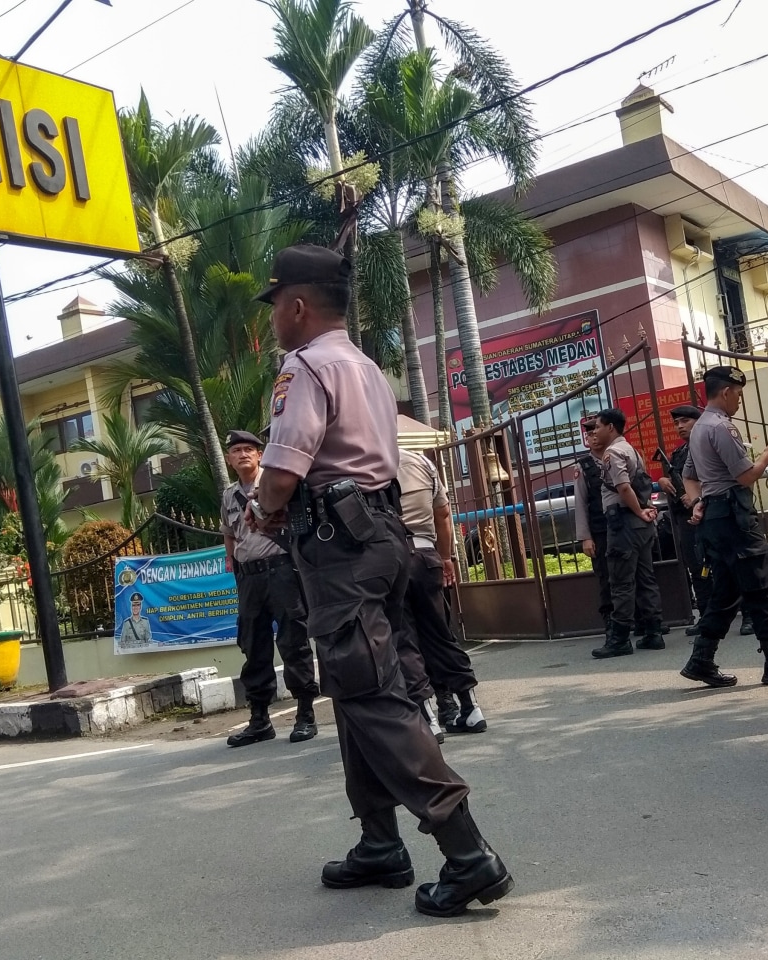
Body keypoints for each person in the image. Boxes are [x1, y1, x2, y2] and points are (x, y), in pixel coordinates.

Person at [248, 245, 512, 914]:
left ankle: (467, 851)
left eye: (276, 303)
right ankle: (378, 842)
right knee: (359, 683)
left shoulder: (303, 366)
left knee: (369, 693)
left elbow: (280, 475)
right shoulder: (364, 366)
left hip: (340, 549)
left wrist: (263, 509)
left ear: (298, 306)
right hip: (380, 536)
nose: (274, 317)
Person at [679, 366, 768, 687]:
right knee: (759, 587)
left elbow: (689, 476)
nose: (740, 401)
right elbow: (745, 476)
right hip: (734, 516)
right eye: (739, 394)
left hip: (716, 517)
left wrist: (697, 501)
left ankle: (701, 659)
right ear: (726, 392)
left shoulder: (700, 427)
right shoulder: (720, 427)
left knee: (726, 592)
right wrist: (767, 457)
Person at [219, 429, 320, 748]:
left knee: (293, 643)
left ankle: (305, 714)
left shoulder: (275, 485)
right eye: (237, 450)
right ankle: (260, 720)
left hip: (281, 572)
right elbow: (229, 534)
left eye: (250, 449)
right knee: (253, 646)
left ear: (260, 455)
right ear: (229, 459)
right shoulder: (228, 495)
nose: (244, 454)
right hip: (249, 577)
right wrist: (232, 563)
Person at [397, 446, 488, 736]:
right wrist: (446, 557)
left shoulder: (365, 463)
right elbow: (444, 514)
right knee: (441, 634)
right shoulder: (422, 462)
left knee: (404, 640)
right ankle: (470, 708)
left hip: (390, 559)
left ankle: (427, 718)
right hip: (427, 556)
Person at [588, 408, 663, 658]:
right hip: (640, 525)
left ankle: (619, 639)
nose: (594, 431)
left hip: (624, 523)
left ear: (611, 427)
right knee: (645, 577)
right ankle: (654, 632)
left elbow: (623, 487)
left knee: (620, 580)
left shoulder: (613, 453)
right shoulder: (632, 449)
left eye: (597, 426)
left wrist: (639, 511)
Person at [659, 405, 711, 635]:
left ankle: (748, 614)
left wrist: (697, 496)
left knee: (728, 563)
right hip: (686, 519)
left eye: (684, 422)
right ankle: (706, 615)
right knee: (696, 567)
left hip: (712, 514)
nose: (679, 427)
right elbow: (673, 480)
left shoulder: (710, 446)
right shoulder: (678, 455)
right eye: (676, 423)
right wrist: (662, 481)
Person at [574, 415, 613, 633]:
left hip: (622, 526)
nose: (592, 437)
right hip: (600, 531)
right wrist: (585, 537)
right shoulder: (584, 466)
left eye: (595, 431)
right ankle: (610, 621)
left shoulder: (616, 456)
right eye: (588, 433)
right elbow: (580, 503)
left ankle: (640, 618)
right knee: (606, 576)